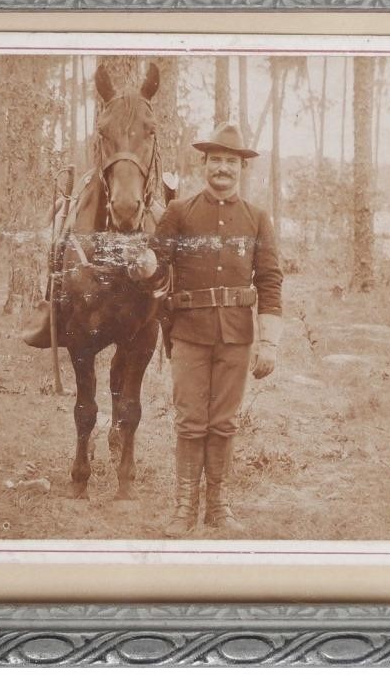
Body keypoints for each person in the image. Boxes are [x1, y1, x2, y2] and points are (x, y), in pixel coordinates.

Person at [129, 122, 283, 537]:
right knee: (190, 421)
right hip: (189, 334)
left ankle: (219, 506)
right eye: (216, 160)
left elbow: (270, 281)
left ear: (241, 169)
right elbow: (157, 269)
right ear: (204, 165)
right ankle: (184, 507)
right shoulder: (179, 213)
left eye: (231, 162)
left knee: (224, 423)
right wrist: (146, 267)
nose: (223, 169)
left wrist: (269, 340)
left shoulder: (256, 219)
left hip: (236, 336)